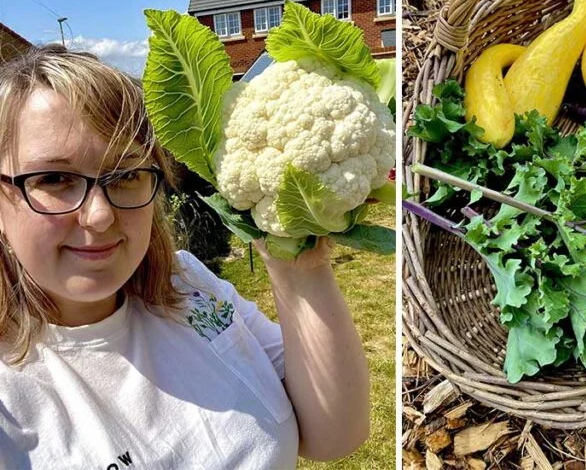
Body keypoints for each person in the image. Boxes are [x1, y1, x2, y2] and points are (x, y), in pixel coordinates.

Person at [0, 45, 370, 468]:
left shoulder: (190, 285)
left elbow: (334, 435)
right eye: (53, 178)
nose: (99, 215)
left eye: (126, 174)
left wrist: (299, 268)